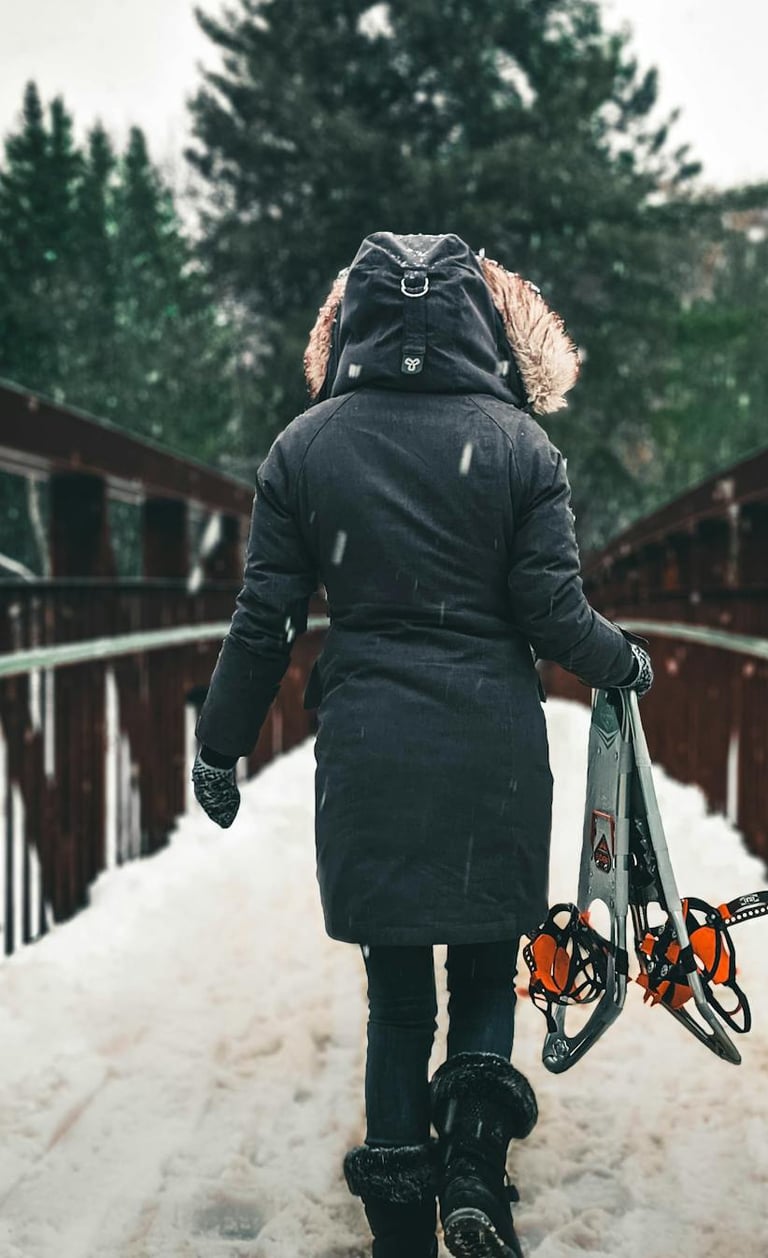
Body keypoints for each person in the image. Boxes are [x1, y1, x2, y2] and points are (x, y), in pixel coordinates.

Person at [191, 233, 653, 1258]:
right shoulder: (521, 445)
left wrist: (218, 745)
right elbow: (551, 611)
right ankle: (477, 1175)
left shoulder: (304, 449)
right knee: (486, 973)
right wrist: (622, 661)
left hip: (370, 752)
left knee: (397, 996)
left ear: (351, 322)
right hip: (491, 745)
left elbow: (264, 618)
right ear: (480, 323)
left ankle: (399, 1220)